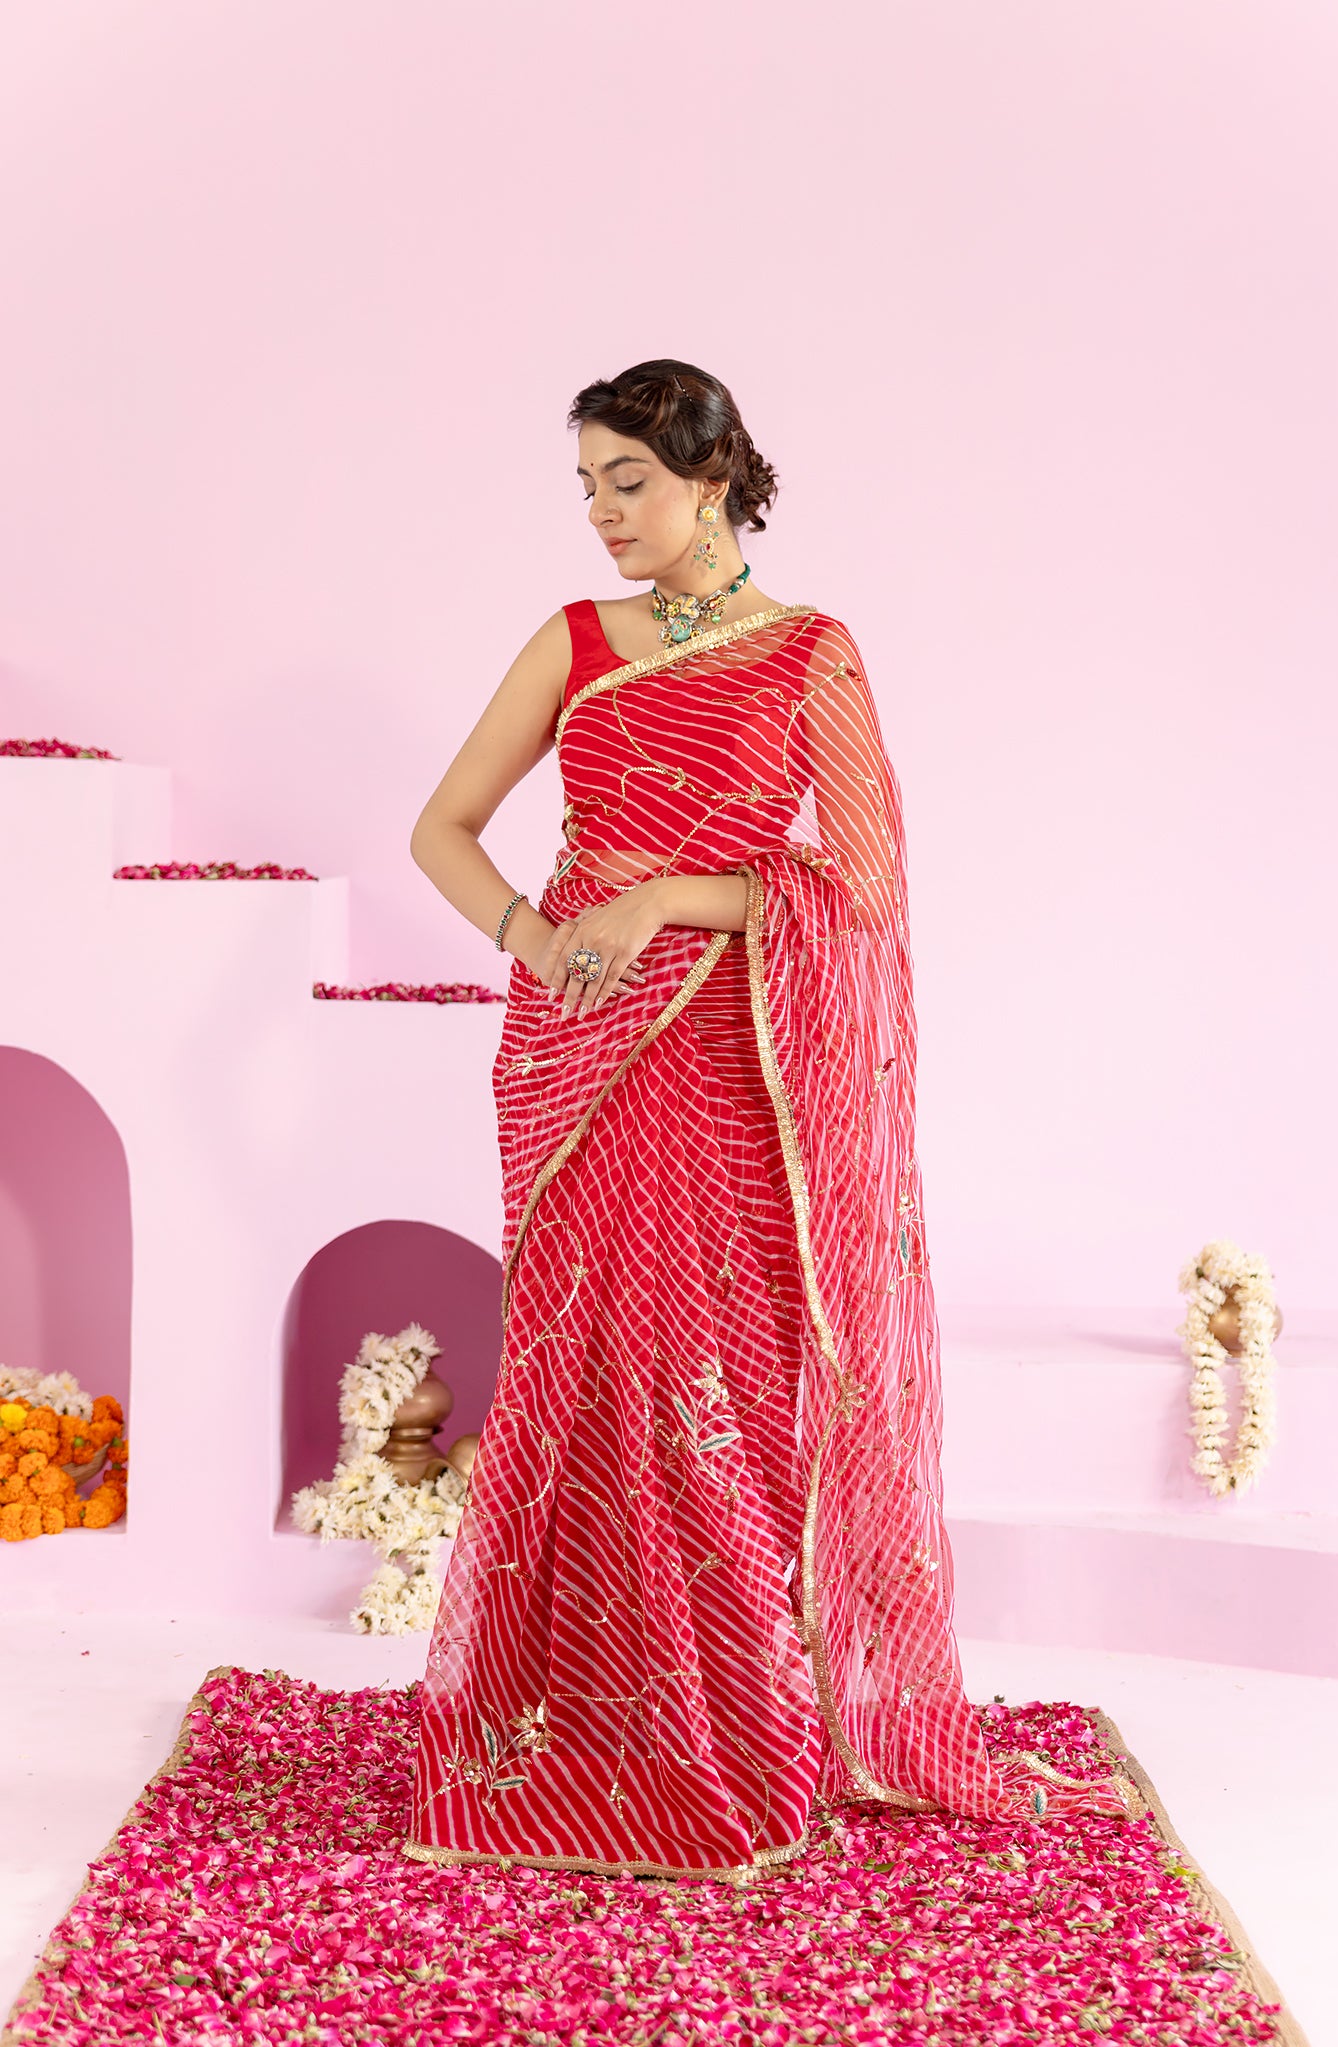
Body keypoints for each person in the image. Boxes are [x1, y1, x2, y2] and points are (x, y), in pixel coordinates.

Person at [401, 359, 1141, 1885]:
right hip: (576, 1056)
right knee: (579, 1365)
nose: (604, 514)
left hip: (731, 1061)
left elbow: (858, 890)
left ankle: (737, 1729)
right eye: (587, 486)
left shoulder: (812, 652)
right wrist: (538, 941)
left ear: (715, 477)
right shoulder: (573, 639)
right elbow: (442, 830)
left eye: (629, 481)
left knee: (711, 1379)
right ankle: (585, 1718)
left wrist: (666, 897)